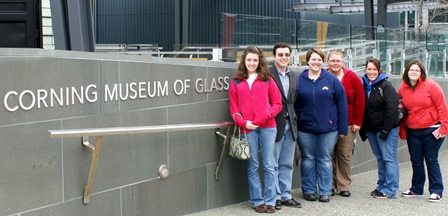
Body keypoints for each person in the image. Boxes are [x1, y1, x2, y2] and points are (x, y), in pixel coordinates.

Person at [228, 45, 282, 213]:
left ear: (260, 62)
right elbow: (234, 109)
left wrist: (267, 114)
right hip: (248, 129)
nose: (252, 63)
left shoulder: (267, 79)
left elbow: (278, 103)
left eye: (255, 60)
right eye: (249, 59)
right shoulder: (236, 81)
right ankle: (257, 201)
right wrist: (243, 123)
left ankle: (270, 201)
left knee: (268, 165)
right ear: (244, 60)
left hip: (268, 127)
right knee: (253, 165)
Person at [294, 48, 348, 203]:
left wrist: (343, 128)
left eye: (319, 60)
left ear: (322, 62)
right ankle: (309, 190)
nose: (316, 62)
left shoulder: (331, 80)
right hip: (304, 128)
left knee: (324, 159)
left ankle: (325, 191)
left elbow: (342, 105)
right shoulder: (299, 80)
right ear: (307, 61)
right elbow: (294, 103)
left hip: (328, 129)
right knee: (308, 158)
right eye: (313, 59)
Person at [398, 60, 448, 202]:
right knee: (416, 161)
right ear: (407, 72)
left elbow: (442, 108)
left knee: (431, 159)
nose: (413, 72)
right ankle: (416, 189)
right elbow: (401, 111)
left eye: (417, 70)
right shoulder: (402, 88)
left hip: (431, 130)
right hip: (413, 131)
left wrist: (444, 127)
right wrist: (403, 130)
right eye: (411, 70)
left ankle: (436, 190)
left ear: (422, 73)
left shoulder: (432, 86)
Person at [359, 58, 400, 199]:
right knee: (380, 158)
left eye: (374, 70)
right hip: (372, 130)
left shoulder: (386, 86)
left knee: (389, 158)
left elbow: (393, 110)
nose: (371, 72)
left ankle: (390, 189)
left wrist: (385, 131)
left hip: (386, 130)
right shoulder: (364, 85)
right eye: (369, 69)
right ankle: (381, 186)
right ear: (365, 70)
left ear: (379, 70)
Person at [327, 50, 365, 198]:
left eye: (338, 61)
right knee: (328, 155)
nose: (335, 63)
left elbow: (360, 101)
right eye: (332, 61)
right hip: (328, 124)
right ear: (328, 62)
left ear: (343, 62)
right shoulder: (324, 76)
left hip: (348, 124)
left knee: (343, 154)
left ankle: (343, 186)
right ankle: (329, 185)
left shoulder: (352, 77)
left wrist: (357, 122)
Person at [269, 43, 302, 210]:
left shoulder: (294, 76)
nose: (283, 58)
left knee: (287, 163)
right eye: (280, 55)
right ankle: (275, 197)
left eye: (286, 55)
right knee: (273, 163)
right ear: (274, 56)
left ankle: (286, 195)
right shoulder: (267, 75)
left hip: (291, 123)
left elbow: (293, 100)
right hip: (275, 124)